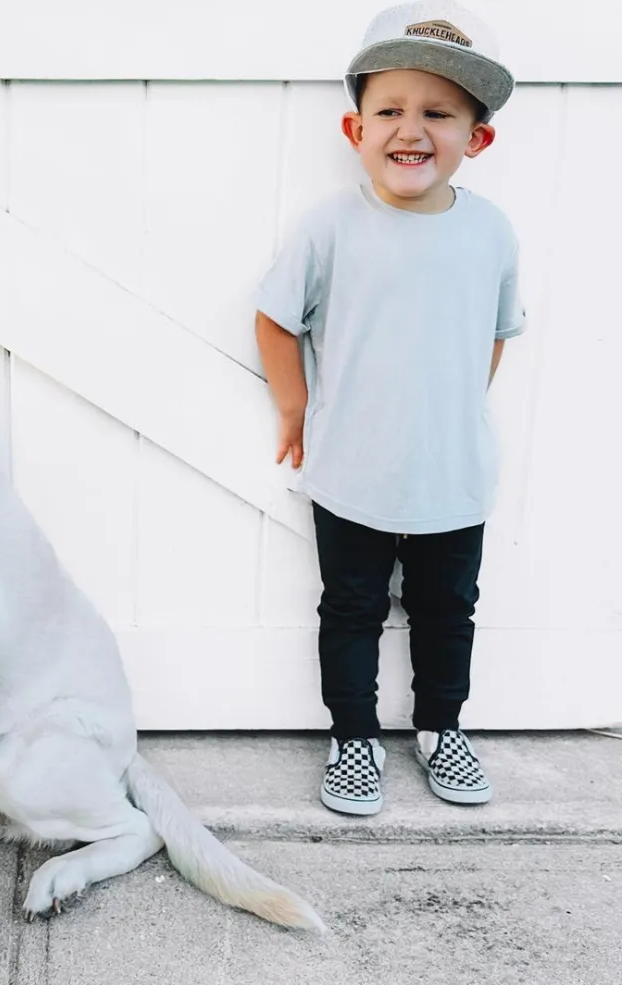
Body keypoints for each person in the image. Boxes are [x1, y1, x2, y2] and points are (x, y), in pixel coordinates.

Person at [254, 1, 525, 815]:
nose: (412, 130)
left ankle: (442, 727)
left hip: (454, 474)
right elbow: (275, 317)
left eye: (438, 113)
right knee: (352, 607)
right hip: (351, 469)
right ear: (355, 128)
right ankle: (355, 738)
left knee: (449, 609)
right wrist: (296, 408)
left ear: (476, 138)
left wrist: (452, 409)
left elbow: (498, 332)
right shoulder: (331, 227)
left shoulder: (491, 233)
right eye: (391, 111)